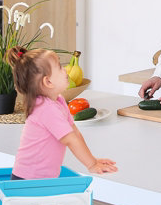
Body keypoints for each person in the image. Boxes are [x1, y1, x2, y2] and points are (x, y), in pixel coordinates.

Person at [7, 46, 118, 180]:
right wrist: (91, 164)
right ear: (48, 81)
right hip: (28, 180)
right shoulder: (45, 108)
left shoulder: (58, 100)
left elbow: (74, 132)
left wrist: (93, 160)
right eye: (59, 67)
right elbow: (70, 140)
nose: (65, 70)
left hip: (40, 179)